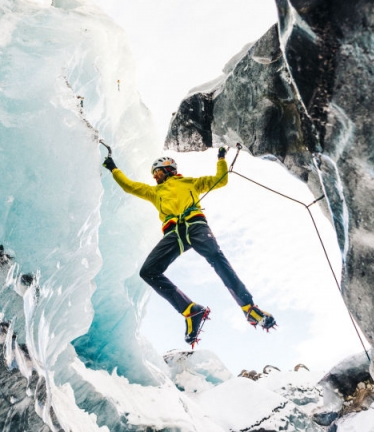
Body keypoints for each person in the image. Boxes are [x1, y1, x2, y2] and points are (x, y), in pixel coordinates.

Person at [102, 147, 276, 347]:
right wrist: (113, 168)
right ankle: (191, 311)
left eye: (157, 171)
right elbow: (130, 186)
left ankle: (249, 308)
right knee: (148, 271)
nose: (154, 176)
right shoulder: (154, 192)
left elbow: (221, 179)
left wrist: (220, 158)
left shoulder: (190, 182)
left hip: (195, 225)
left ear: (168, 169)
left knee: (216, 257)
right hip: (174, 233)